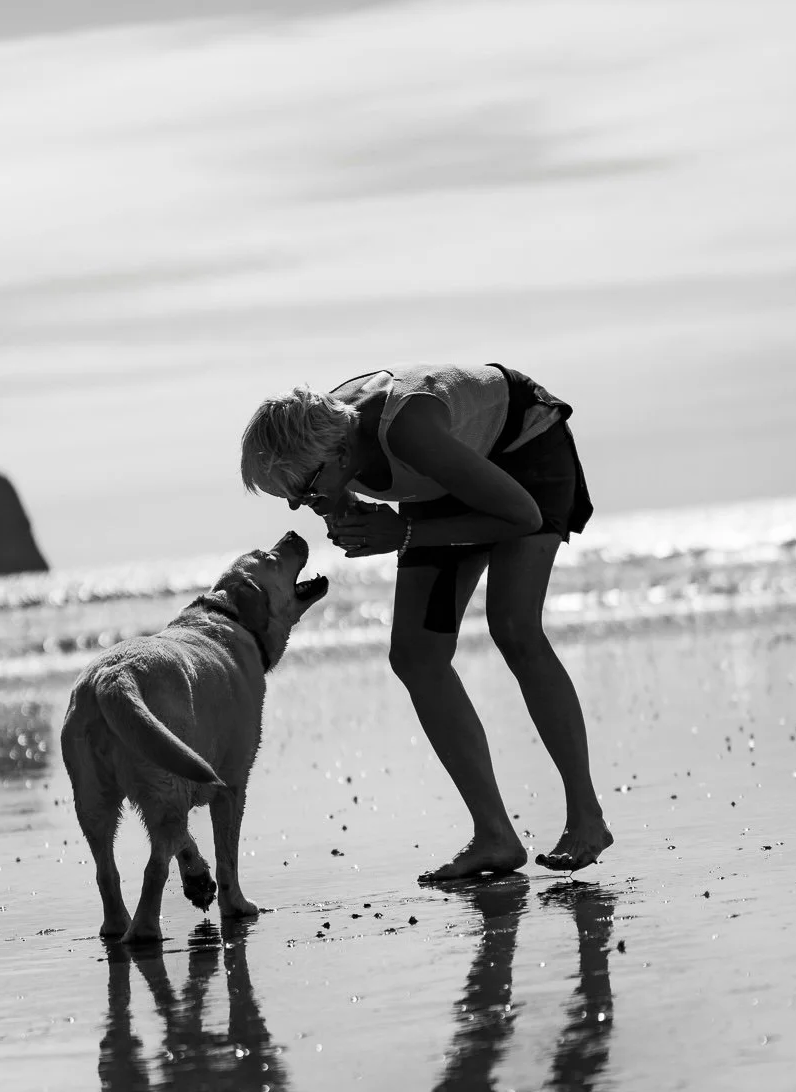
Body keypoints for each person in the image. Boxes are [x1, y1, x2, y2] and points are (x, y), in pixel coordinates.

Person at [240, 362, 612, 882]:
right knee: (416, 655)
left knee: (514, 627)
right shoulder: (321, 439)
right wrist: (346, 513)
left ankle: (586, 818)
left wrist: (402, 534)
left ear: (340, 454)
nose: (302, 504)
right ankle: (495, 836)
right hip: (441, 483)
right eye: (290, 497)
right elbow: (344, 494)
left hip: (522, 454)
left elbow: (520, 517)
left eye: (304, 488)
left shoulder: (405, 430)